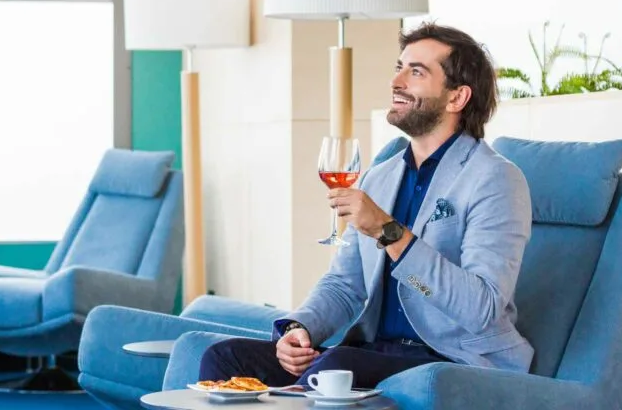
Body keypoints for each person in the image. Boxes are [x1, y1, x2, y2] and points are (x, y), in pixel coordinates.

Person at [199, 23, 534, 390]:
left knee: (336, 368)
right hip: (375, 353)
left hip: (452, 361)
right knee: (224, 358)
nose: (396, 81)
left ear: (457, 98)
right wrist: (300, 328)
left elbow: (481, 308)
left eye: (416, 72)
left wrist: (388, 231)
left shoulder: (495, 178)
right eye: (399, 67)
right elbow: (345, 284)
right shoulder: (380, 176)